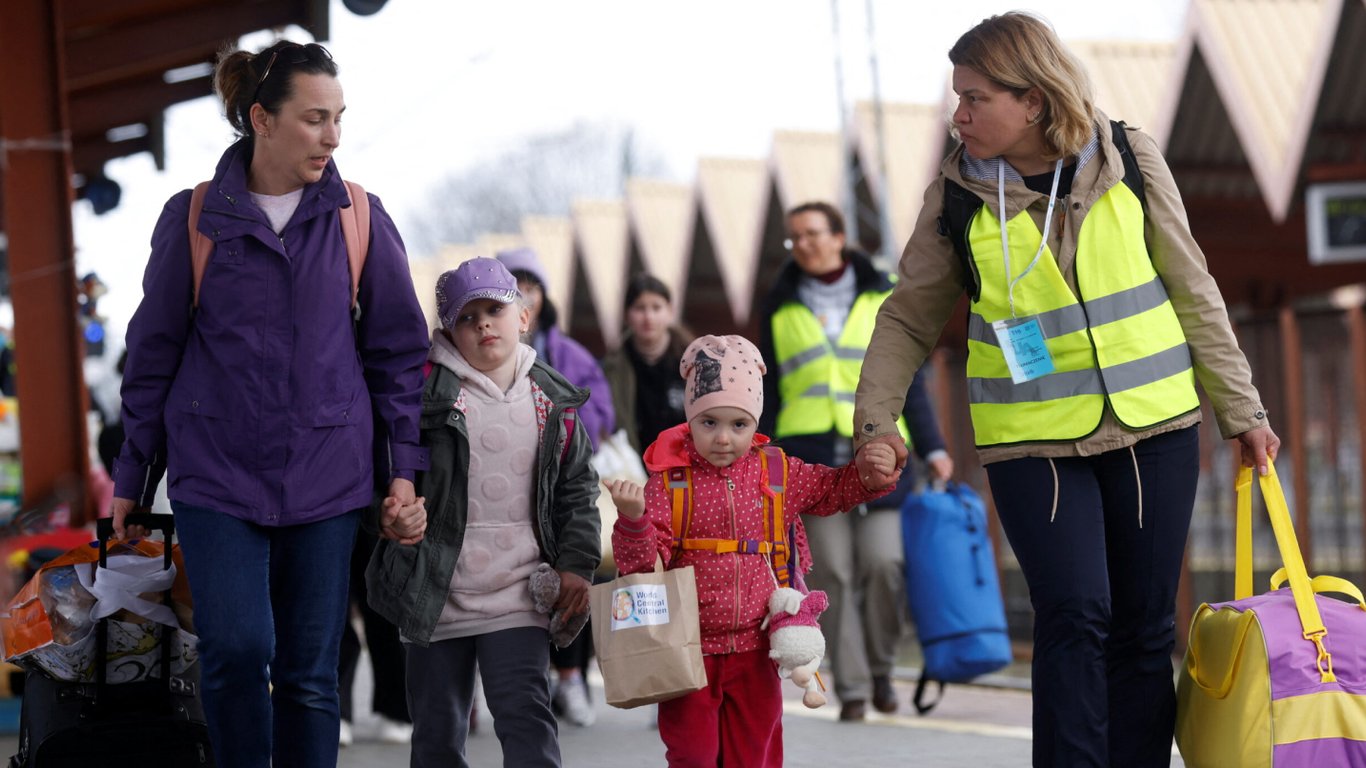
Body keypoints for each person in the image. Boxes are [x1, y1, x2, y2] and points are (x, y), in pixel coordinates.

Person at [852, 13, 1280, 767]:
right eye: (958, 97)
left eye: (976, 98)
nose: (960, 115)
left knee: (1145, 627)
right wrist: (876, 421)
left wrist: (1241, 410)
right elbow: (906, 319)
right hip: (1032, 442)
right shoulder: (955, 196)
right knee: (1075, 614)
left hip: (1155, 427)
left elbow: (1193, 287)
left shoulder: (1131, 159)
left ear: (1035, 101)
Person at [109, 39, 430, 767]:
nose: (333, 137)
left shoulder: (360, 218)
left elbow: (397, 358)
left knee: (310, 677)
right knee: (237, 648)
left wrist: (402, 472)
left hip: (328, 474)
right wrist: (133, 477)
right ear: (262, 118)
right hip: (216, 473)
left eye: (339, 118)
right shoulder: (193, 218)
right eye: (315, 118)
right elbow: (152, 354)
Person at [605, 334, 898, 767]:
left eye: (738, 424)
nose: (723, 438)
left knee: (754, 757)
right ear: (689, 420)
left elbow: (834, 490)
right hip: (688, 654)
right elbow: (642, 570)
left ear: (755, 422)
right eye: (709, 423)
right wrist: (634, 520)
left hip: (758, 651)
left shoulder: (778, 472)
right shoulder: (669, 483)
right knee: (693, 757)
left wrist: (871, 473)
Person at [365, 258, 601, 767]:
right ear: (448, 331)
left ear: (524, 316)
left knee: (524, 714)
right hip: (436, 593)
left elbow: (577, 489)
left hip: (519, 590)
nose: (483, 324)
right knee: (437, 729)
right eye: (467, 318)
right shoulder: (424, 398)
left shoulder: (552, 401)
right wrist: (392, 513)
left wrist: (576, 565)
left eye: (495, 309)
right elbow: (385, 472)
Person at [757, 200, 953, 721]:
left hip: (883, 451)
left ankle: (884, 667)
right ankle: (855, 688)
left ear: (840, 236)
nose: (803, 244)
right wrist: (762, 453)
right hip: (812, 464)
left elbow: (909, 378)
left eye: (813, 233)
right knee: (834, 576)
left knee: (885, 565)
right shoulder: (779, 306)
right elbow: (771, 391)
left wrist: (933, 446)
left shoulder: (883, 293)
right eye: (794, 237)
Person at [495, 246, 615, 727]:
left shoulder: (568, 352)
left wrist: (564, 436)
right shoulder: (484, 346)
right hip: (507, 486)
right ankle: (537, 675)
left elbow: (600, 406)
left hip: (562, 478)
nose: (525, 292)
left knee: (575, 571)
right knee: (522, 581)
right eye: (514, 283)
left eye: (532, 284)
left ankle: (572, 677)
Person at [600, 274, 694, 455]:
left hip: (689, 465)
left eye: (656, 308)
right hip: (635, 469)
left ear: (670, 311)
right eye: (640, 308)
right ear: (626, 314)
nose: (648, 317)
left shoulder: (693, 359)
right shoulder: (613, 367)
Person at [337, 525, 413, 747]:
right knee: (332, 608)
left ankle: (397, 710)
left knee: (385, 604)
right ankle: (336, 708)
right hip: (329, 500)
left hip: (379, 499)